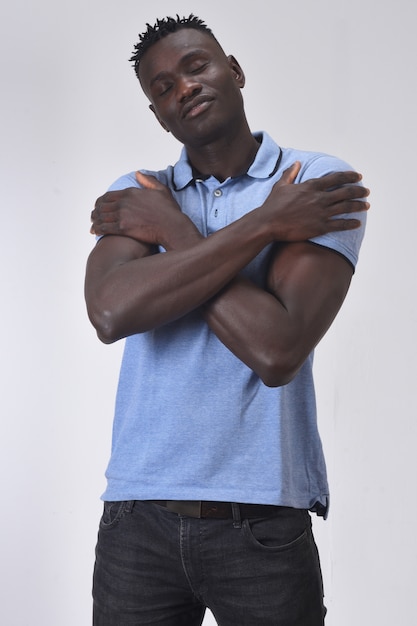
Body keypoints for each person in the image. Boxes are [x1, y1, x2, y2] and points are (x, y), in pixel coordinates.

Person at [85, 14, 369, 626]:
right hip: (137, 521)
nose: (182, 88)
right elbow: (110, 313)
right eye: (161, 88)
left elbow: (276, 350)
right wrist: (267, 223)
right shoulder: (140, 192)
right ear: (158, 115)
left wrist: (170, 235)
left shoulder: (313, 181)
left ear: (234, 71)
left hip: (261, 524)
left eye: (196, 66)